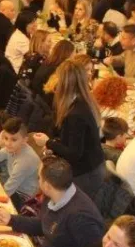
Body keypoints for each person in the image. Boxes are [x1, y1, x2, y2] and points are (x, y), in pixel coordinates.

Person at [0, 157, 104, 247]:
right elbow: (43, 224)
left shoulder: (82, 217)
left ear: (47, 186)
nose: (38, 181)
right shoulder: (54, 194)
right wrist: (11, 219)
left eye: (39, 178)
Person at [33, 60, 107, 193]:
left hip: (86, 174)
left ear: (64, 83)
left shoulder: (76, 113)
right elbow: (70, 139)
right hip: (88, 167)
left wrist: (48, 142)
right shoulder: (78, 102)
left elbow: (74, 153)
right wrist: (54, 145)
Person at [0, 117, 40, 208]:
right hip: (13, 188)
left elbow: (7, 191)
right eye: (6, 138)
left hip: (23, 198)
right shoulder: (12, 148)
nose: (8, 143)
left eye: (14, 140)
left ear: (24, 140)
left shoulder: (25, 160)